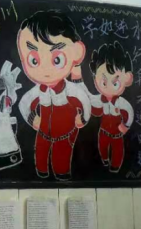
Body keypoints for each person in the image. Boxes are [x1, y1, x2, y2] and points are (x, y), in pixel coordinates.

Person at [16, 10, 90, 180]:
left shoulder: (71, 89)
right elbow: (24, 103)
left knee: (61, 158)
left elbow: (85, 100)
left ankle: (62, 175)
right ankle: (42, 171)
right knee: (40, 157)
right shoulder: (37, 90)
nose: (45, 70)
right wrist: (32, 119)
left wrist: (83, 118)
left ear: (77, 52)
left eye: (57, 59)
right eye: (34, 60)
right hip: (43, 133)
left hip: (65, 134)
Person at [87, 42, 134, 173]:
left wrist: (125, 126)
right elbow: (91, 101)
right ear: (95, 79)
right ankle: (105, 159)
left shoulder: (122, 103)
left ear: (127, 78)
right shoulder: (99, 99)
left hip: (117, 133)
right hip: (103, 131)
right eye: (103, 82)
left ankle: (115, 166)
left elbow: (129, 113)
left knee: (118, 149)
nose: (108, 86)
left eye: (115, 83)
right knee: (102, 146)